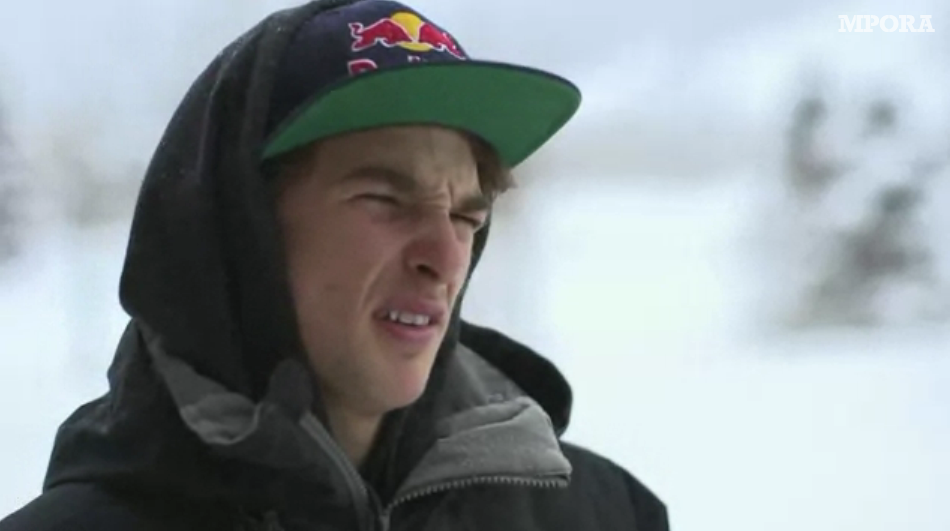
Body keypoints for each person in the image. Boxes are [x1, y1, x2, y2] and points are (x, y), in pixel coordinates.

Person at [0, 0, 669, 529]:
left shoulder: (603, 515)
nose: (445, 259)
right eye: (385, 199)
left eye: (467, 216)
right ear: (246, 230)